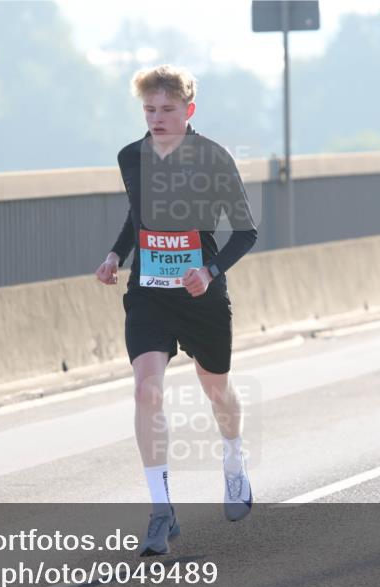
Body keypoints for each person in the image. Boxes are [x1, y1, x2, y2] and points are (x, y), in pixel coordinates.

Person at [94, 64, 259, 557]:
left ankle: (233, 459)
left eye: (168, 109)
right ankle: (162, 511)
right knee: (147, 392)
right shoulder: (131, 157)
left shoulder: (213, 158)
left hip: (200, 297)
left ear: (188, 110)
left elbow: (246, 231)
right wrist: (115, 255)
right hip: (149, 291)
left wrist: (207, 271)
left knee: (217, 390)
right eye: (149, 109)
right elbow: (137, 216)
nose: (158, 118)